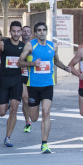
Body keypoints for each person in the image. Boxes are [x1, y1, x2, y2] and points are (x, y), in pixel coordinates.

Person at [18, 22, 73, 153]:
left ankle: (44, 144)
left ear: (46, 32)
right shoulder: (30, 45)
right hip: (33, 86)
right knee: (34, 118)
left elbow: (56, 61)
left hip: (48, 84)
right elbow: (20, 62)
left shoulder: (52, 46)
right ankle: (31, 123)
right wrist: (32, 63)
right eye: (39, 30)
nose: (42, 32)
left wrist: (65, 67)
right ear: (35, 33)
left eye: (44, 30)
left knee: (46, 112)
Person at [0, 21, 26, 148]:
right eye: (13, 31)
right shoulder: (3, 44)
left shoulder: (24, 46)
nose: (16, 34)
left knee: (14, 109)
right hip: (4, 80)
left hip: (17, 81)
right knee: (2, 113)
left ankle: (8, 137)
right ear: (10, 32)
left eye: (18, 31)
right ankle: (6, 104)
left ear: (21, 32)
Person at [20, 26, 33, 132]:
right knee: (25, 99)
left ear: (31, 34)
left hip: (32, 75)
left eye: (28, 32)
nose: (26, 33)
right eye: (24, 31)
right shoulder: (18, 45)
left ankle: (29, 117)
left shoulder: (34, 46)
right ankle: (27, 122)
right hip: (20, 75)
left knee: (30, 101)